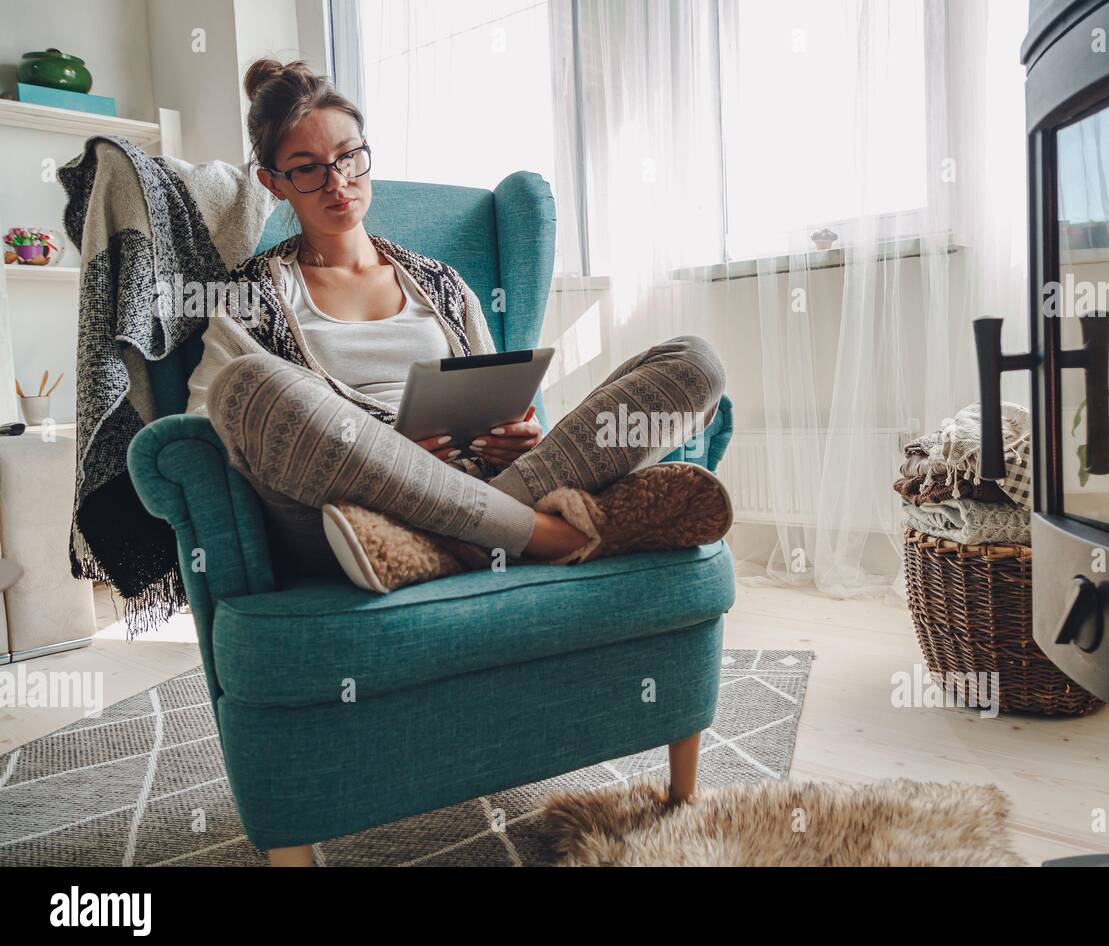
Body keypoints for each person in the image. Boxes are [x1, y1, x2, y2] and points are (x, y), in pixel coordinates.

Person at [185, 59, 731, 593]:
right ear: (273, 183)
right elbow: (208, 422)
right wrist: (385, 453)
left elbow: (498, 397)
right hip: (353, 506)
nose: (338, 182)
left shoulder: (442, 284)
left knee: (693, 364)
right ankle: (543, 532)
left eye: (349, 157)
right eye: (308, 168)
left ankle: (446, 547)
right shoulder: (247, 298)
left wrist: (516, 440)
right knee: (247, 388)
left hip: (476, 482)